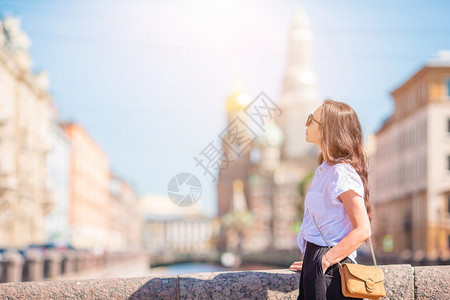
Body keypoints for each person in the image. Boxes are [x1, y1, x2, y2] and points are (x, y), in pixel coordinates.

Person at [289, 99, 372, 300]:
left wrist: (325, 261)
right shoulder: (325, 170)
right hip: (317, 263)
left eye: (311, 119)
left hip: (330, 270)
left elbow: (363, 229)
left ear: (327, 129)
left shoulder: (342, 172)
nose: (306, 124)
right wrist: (311, 262)